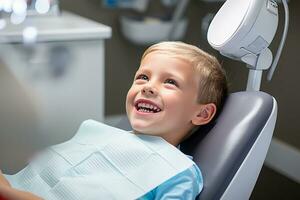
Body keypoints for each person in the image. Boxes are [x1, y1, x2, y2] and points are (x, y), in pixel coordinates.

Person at [0, 41, 228, 200]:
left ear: (201, 114)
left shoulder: (178, 171)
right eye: (143, 77)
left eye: (170, 82)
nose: (148, 87)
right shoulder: (102, 137)